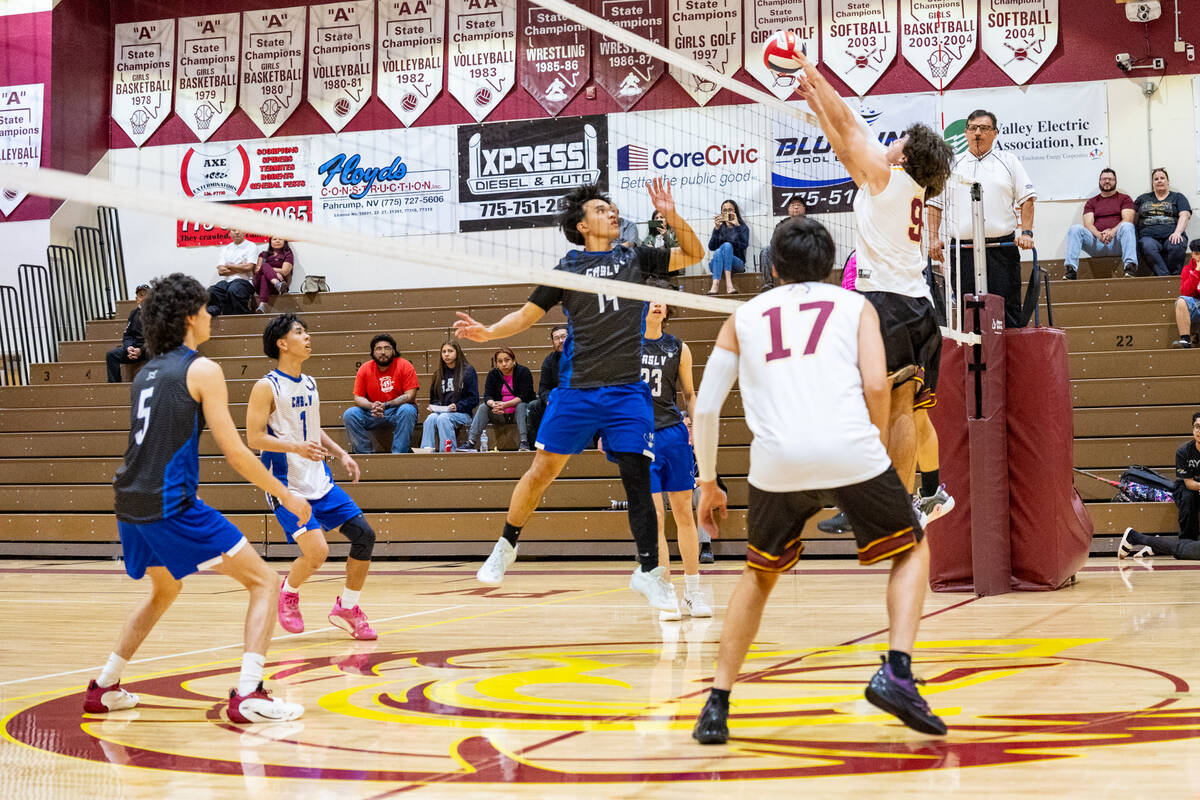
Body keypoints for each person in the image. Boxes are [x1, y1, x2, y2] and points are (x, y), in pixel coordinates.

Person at [690, 216, 945, 745]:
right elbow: (877, 382)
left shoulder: (743, 315)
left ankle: (716, 703)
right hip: (849, 448)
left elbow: (708, 408)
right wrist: (871, 444)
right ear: (830, 265)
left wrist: (709, 482)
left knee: (758, 576)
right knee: (912, 550)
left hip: (776, 462)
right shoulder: (856, 305)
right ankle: (897, 670)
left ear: (774, 266)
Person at [452, 178, 703, 610]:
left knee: (637, 477)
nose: (612, 213)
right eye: (602, 210)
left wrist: (672, 215)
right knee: (542, 470)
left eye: (612, 208)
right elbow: (527, 315)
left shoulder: (635, 256)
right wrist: (489, 331)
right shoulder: (566, 269)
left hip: (626, 391)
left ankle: (649, 572)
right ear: (582, 225)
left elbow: (695, 254)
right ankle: (506, 546)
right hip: (576, 389)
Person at [87, 273, 309, 724]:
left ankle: (105, 686)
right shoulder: (202, 369)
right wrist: (286, 495)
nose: (212, 315)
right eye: (206, 309)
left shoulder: (145, 372)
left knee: (165, 587)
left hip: (129, 501)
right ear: (189, 316)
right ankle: (250, 694)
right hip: (170, 504)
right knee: (265, 583)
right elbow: (236, 452)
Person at [792, 49, 954, 503]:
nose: (893, 140)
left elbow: (848, 126)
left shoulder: (887, 176)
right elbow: (845, 145)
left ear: (904, 157)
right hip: (919, 306)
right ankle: (910, 502)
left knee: (886, 408)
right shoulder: (903, 185)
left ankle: (883, 502)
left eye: (901, 140)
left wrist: (811, 72)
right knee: (905, 410)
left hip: (886, 305)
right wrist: (816, 102)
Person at [246, 313, 378, 640]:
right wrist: (296, 447)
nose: (307, 338)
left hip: (320, 480)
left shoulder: (310, 383)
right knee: (317, 553)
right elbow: (253, 438)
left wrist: (341, 453)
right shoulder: (267, 386)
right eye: (299, 333)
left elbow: (311, 428)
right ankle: (288, 592)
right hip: (287, 485)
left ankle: (348, 607)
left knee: (365, 536)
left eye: (306, 332)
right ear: (282, 343)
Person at [927, 109, 1037, 329]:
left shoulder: (1009, 161)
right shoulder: (951, 165)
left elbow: (1027, 199)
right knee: (970, 314)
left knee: (1007, 311)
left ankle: (1009, 362)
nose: (978, 132)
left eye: (984, 128)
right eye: (972, 128)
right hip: (962, 251)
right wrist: (933, 239)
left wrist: (1026, 232)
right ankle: (975, 361)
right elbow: (934, 205)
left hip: (1001, 249)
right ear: (966, 133)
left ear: (995, 133)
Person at [640, 279, 710, 621]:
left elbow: (690, 394)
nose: (657, 304)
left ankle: (694, 593)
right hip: (638, 438)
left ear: (668, 309)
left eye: (662, 301)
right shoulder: (625, 346)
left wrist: (695, 427)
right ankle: (666, 591)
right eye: (651, 299)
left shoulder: (678, 347)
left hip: (672, 435)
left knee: (685, 514)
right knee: (654, 518)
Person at [1119, 411, 1200, 560]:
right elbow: (1189, 483)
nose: (1199, 431)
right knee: (1188, 499)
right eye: (1197, 427)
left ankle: (1156, 544)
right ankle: (1184, 541)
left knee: (1187, 550)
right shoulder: (1184, 451)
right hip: (1187, 487)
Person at [342, 334, 419, 454]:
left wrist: (386, 405)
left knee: (408, 410)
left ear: (394, 351)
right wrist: (372, 406)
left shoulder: (405, 365)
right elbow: (358, 398)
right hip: (373, 412)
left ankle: (399, 454)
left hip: (396, 410)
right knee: (350, 414)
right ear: (372, 352)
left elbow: (410, 395)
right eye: (378, 348)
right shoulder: (364, 368)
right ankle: (365, 454)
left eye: (387, 348)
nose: (383, 352)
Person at [1063, 168, 1136, 280]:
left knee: (1127, 226)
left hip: (1117, 242)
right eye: (1104, 179)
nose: (1107, 181)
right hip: (1097, 243)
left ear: (1115, 181)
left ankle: (1130, 268)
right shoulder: (1092, 202)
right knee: (1075, 229)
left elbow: (1128, 219)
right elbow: (1087, 224)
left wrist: (1112, 232)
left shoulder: (1124, 199)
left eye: (1110, 179)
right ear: (1099, 181)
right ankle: (1070, 271)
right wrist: (1099, 234)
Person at [462, 346, 535, 452]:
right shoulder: (493, 374)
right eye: (500, 361)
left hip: (517, 412)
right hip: (499, 412)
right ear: (496, 363)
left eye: (507, 360)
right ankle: (471, 442)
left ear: (514, 360)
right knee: (483, 407)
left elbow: (525, 395)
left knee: (522, 405)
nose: (504, 364)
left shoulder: (523, 372)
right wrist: (494, 404)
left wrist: (505, 405)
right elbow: (487, 396)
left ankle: (524, 442)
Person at [420, 339, 479, 452]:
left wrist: (458, 406)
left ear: (457, 352)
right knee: (430, 418)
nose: (446, 354)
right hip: (443, 412)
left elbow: (474, 399)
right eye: (444, 351)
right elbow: (434, 399)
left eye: (450, 351)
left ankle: (447, 453)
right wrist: (434, 407)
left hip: (462, 414)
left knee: (443, 418)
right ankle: (426, 452)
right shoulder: (438, 374)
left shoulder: (468, 371)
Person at [1135, 168, 1192, 277]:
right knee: (1147, 246)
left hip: (1172, 234)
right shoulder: (1142, 198)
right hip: (1148, 237)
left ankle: (1174, 276)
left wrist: (1177, 232)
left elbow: (1185, 215)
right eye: (1156, 179)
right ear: (1153, 183)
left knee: (1177, 244)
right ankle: (1166, 278)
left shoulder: (1178, 197)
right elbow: (1133, 216)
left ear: (1168, 181)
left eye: (1162, 178)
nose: (1159, 180)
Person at [525, 325, 568, 445]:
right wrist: (550, 399)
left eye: (564, 337)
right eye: (556, 338)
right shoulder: (549, 361)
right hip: (556, 401)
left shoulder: (583, 357)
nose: (561, 341)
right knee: (534, 406)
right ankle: (538, 446)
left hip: (579, 399)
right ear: (553, 342)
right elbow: (543, 388)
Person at [207, 228, 258, 316]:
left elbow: (249, 267)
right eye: (234, 230)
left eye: (239, 229)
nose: (237, 232)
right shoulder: (226, 248)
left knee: (234, 290)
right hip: (226, 282)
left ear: (244, 231)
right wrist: (240, 265)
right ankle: (216, 314)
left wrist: (229, 265)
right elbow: (221, 271)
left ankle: (239, 320)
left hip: (245, 281)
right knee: (212, 290)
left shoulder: (251, 246)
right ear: (229, 233)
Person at [759, 197, 806, 291]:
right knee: (766, 250)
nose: (796, 207)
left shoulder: (810, 224)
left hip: (801, 256)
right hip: (784, 256)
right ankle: (768, 285)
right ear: (788, 210)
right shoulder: (781, 225)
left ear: (804, 209)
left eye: (799, 205)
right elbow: (773, 243)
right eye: (793, 205)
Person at [106, 284, 150, 383]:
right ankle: (115, 386)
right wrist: (128, 348)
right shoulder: (133, 314)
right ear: (137, 299)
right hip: (134, 349)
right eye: (141, 295)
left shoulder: (156, 314)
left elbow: (156, 338)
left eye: (146, 295)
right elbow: (127, 335)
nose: (144, 298)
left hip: (148, 350)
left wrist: (141, 350)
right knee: (111, 355)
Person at [707, 199, 750, 295]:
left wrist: (737, 226)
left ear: (735, 212)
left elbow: (744, 245)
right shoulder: (719, 227)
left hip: (737, 264)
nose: (727, 212)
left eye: (730, 210)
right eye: (724, 210)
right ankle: (720, 286)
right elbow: (711, 247)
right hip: (717, 264)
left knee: (726, 246)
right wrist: (716, 229)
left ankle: (722, 285)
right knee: (718, 251)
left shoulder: (742, 227)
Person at [253, 236, 294, 312]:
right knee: (264, 266)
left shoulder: (288, 254)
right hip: (260, 286)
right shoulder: (263, 254)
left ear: (284, 241)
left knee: (264, 276)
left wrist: (271, 271)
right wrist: (276, 274)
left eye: (280, 239)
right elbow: (257, 270)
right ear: (270, 242)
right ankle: (276, 283)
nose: (277, 241)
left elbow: (285, 271)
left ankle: (262, 305)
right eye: (274, 239)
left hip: (279, 288)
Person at [1171, 240, 1200, 348]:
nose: (1199, 258)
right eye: (1197, 254)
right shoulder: (1187, 270)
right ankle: (1185, 340)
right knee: (1182, 301)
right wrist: (1197, 272)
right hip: (1196, 305)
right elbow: (1186, 292)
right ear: (1192, 254)